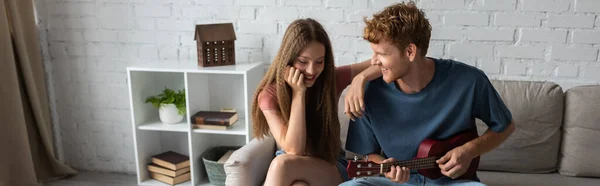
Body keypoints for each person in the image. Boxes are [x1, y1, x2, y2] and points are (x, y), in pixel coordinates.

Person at [340, 2, 516, 186]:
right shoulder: (368, 91)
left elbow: (505, 126)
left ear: (410, 51)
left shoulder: (469, 81)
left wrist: (470, 150)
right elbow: (369, 155)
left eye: (380, 54)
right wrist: (386, 168)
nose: (373, 62)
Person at [250, 18, 381, 186]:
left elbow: (382, 62)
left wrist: (360, 79)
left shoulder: (330, 79)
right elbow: (293, 150)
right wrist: (299, 93)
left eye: (319, 62)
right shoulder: (269, 95)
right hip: (292, 166)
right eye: (303, 62)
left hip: (331, 165)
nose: (312, 71)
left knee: (281, 165)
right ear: (288, 60)